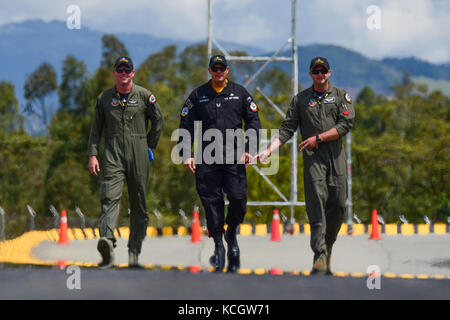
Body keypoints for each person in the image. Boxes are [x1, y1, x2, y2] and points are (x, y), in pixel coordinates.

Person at [256, 57, 355, 274]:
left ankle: (328, 246)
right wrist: (267, 151)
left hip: (335, 158)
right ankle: (319, 253)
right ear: (310, 74)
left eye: (323, 71)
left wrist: (318, 138)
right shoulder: (301, 99)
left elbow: (346, 124)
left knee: (338, 205)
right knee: (316, 203)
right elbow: (286, 129)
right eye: (316, 71)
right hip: (313, 160)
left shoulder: (340, 96)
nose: (320, 75)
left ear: (329, 73)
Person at [178, 55, 261, 272]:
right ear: (209, 70)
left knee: (238, 198)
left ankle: (231, 233)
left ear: (227, 70)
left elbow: (253, 121)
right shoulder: (199, 95)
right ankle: (218, 245)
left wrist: (250, 150)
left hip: (234, 157)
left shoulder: (240, 93)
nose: (218, 71)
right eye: (214, 68)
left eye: (221, 68)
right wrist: (187, 154)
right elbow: (185, 125)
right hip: (207, 158)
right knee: (211, 203)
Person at [88, 56, 164, 268]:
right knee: (109, 197)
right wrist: (93, 154)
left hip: (138, 151)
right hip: (113, 153)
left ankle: (134, 250)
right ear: (115, 73)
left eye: (127, 69)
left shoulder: (144, 96)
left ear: (133, 72)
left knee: (139, 202)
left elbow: (158, 120)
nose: (123, 73)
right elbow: (96, 129)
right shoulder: (104, 98)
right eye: (119, 70)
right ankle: (107, 243)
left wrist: (149, 145)